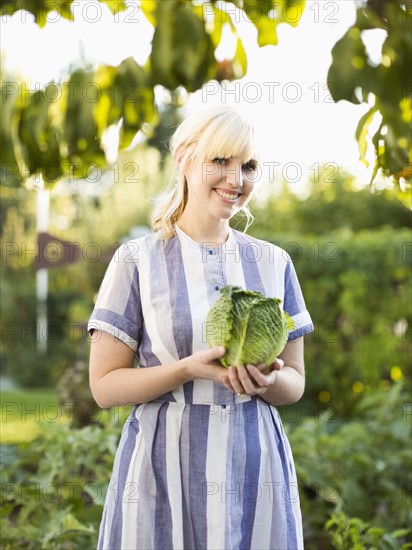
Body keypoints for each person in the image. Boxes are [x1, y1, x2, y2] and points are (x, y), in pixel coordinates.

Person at [88, 105, 314, 550]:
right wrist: (186, 369)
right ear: (185, 160)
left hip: (255, 465)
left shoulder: (273, 262)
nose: (236, 179)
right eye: (221, 161)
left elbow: (295, 381)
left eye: (248, 166)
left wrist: (267, 380)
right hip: (162, 466)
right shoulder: (136, 260)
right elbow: (105, 386)